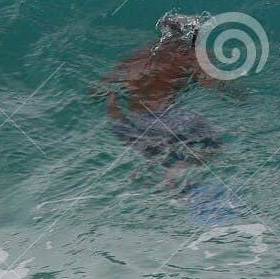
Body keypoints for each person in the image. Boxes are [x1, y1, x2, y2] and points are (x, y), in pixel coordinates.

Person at [97, 13, 235, 187]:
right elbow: (213, 84)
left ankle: (156, 172)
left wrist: (114, 111)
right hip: (166, 120)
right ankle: (179, 168)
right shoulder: (191, 55)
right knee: (214, 142)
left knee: (156, 151)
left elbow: (100, 88)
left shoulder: (139, 55)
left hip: (126, 124)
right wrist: (235, 93)